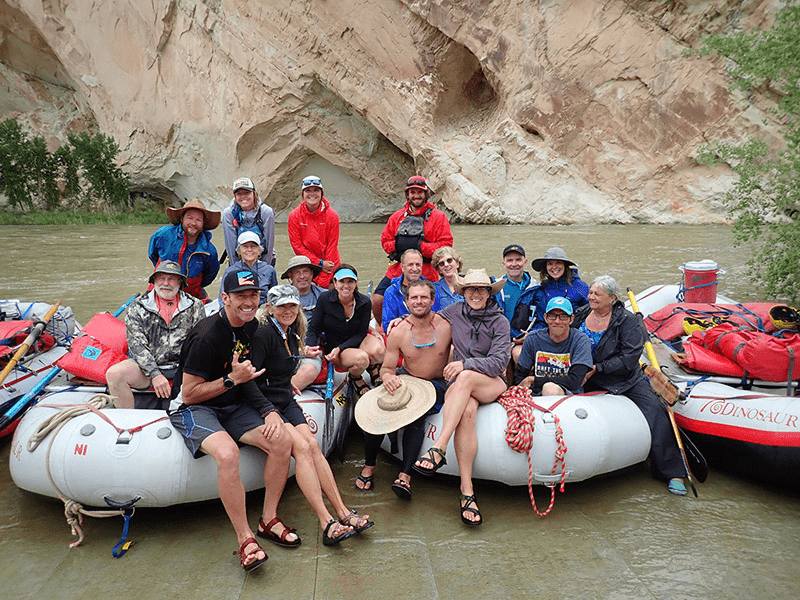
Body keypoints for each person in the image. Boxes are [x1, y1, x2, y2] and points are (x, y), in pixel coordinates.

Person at [168, 268, 292, 572]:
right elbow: (190, 392)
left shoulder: (252, 328)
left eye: (253, 295)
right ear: (225, 298)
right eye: (241, 296)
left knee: (282, 440)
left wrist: (268, 410)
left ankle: (268, 518)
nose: (249, 301)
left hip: (231, 402)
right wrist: (231, 380)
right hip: (193, 406)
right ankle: (245, 537)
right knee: (228, 453)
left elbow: (245, 377)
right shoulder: (207, 336)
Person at [251, 285, 373, 545]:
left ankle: (342, 512)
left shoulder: (292, 332)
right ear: (270, 308)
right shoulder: (262, 334)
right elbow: (250, 381)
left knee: (313, 446)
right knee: (303, 448)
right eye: (281, 306)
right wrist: (268, 410)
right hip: (268, 404)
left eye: (292, 306)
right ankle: (326, 520)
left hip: (285, 398)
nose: (287, 311)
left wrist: (289, 376)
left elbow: (284, 360)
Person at [572, 275, 688, 495]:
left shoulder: (627, 321)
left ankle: (673, 472)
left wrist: (599, 368)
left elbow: (629, 357)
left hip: (623, 379)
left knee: (656, 412)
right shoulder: (581, 315)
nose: (591, 297)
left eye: (597, 294)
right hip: (585, 375)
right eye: (591, 293)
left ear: (612, 298)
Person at [413, 269, 509, 527]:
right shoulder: (454, 312)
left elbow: (500, 361)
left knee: (463, 377)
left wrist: (466, 363)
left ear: (489, 294)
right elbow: (425, 318)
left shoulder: (500, 322)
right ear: (463, 292)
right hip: (465, 386)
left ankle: (439, 447)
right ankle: (467, 492)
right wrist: (401, 321)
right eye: (471, 289)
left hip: (492, 381)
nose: (476, 294)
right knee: (466, 412)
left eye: (481, 290)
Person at [355, 280, 452, 499]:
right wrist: (388, 377)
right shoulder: (399, 332)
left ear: (432, 300)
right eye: (414, 298)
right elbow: (388, 368)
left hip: (436, 384)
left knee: (416, 419)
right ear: (407, 302)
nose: (419, 301)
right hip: (407, 378)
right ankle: (369, 464)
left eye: (424, 297)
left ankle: (405, 474)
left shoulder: (447, 325)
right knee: (375, 411)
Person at [106, 261, 205, 409]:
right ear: (154, 281)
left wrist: (189, 373)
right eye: (161, 278)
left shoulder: (195, 305)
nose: (166, 283)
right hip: (146, 369)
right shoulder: (138, 306)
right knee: (115, 374)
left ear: (180, 282)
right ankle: (127, 422)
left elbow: (200, 343)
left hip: (184, 368)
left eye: (171, 278)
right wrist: (155, 374)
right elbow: (137, 346)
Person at [372, 175, 453, 327]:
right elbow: (385, 241)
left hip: (427, 269)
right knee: (377, 299)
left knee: (429, 301)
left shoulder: (438, 217)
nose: (416, 195)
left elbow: (446, 246)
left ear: (426, 193)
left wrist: (421, 247)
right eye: (412, 192)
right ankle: (383, 327)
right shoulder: (397, 217)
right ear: (407, 194)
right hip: (400, 268)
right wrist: (398, 246)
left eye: (420, 192)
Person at [292, 265, 384, 395]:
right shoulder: (324, 299)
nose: (346, 286)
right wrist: (309, 346)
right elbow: (314, 329)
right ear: (335, 283)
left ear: (356, 283)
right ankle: (356, 377)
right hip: (335, 345)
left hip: (354, 340)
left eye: (350, 281)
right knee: (361, 359)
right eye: (342, 281)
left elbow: (361, 333)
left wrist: (341, 348)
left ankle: (372, 366)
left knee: (379, 351)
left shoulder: (364, 302)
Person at [514, 297, 593, 396]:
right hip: (536, 394)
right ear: (545, 317)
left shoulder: (581, 340)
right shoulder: (533, 338)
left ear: (571, 319)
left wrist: (534, 380)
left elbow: (575, 381)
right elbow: (520, 375)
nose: (557, 321)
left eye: (563, 316)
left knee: (550, 388)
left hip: (569, 395)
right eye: (552, 316)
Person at [148, 199, 221, 301]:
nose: (193, 223)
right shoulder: (163, 235)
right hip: (161, 288)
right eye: (189, 218)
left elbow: (209, 276)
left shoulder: (210, 250)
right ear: (182, 219)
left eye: (198, 220)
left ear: (203, 223)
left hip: (191, 294)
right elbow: (152, 255)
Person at [514, 247, 589, 333]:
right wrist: (531, 334)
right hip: (548, 335)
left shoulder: (580, 287)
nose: (554, 267)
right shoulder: (542, 289)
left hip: (574, 335)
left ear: (565, 265)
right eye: (550, 264)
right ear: (545, 267)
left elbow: (591, 313)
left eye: (558, 263)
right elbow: (541, 321)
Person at [287, 175, 341, 289]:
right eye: (308, 190)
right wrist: (319, 263)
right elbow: (297, 246)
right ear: (303, 194)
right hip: (307, 264)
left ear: (322, 193)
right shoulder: (294, 216)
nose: (312, 194)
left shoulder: (332, 216)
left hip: (329, 265)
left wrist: (323, 277)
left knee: (327, 295)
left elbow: (332, 246)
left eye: (316, 190)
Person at [380, 249, 441, 332]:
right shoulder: (391, 292)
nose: (415, 268)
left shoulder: (432, 288)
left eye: (418, 265)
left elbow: (437, 318)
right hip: (403, 335)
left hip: (428, 333)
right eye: (410, 265)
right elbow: (387, 325)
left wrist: (404, 319)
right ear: (402, 267)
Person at [221, 177, 276, 266]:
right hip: (239, 258)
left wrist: (266, 269)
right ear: (235, 196)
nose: (243, 197)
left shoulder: (266, 212)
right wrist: (235, 269)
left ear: (254, 193)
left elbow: (269, 245)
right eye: (239, 194)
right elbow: (230, 246)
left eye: (247, 193)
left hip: (263, 257)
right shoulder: (229, 214)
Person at [496, 244, 536, 363]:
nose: (514, 264)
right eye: (509, 260)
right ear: (503, 263)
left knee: (519, 354)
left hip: (525, 337)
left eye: (518, 259)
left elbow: (542, 318)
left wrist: (531, 334)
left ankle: (523, 381)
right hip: (499, 337)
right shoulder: (496, 287)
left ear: (525, 261)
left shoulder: (535, 288)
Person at [218, 231, 278, 306]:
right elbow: (222, 299)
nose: (249, 250)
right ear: (239, 251)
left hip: (261, 311)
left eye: (253, 246)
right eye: (245, 246)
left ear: (259, 251)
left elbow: (274, 298)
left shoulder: (269, 270)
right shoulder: (230, 271)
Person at [280, 255, 325, 322]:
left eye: (305, 271)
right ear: (291, 276)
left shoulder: (324, 295)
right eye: (297, 272)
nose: (302, 276)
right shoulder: (281, 297)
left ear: (311, 274)